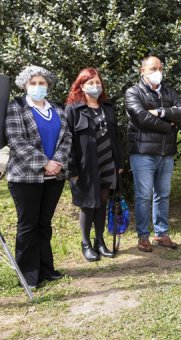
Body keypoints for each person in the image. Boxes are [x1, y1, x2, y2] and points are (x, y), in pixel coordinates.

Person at [5, 65, 72, 289]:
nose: (37, 87)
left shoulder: (58, 109)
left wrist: (57, 164)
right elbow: (16, 140)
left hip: (54, 177)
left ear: (48, 85)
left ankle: (46, 270)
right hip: (25, 178)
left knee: (44, 224)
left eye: (41, 83)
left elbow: (66, 138)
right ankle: (28, 275)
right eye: (32, 83)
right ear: (25, 85)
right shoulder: (17, 107)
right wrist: (44, 163)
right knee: (28, 225)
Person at [125, 56, 181, 252]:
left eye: (160, 68)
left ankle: (161, 234)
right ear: (142, 71)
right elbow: (141, 117)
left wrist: (160, 112)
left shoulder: (168, 91)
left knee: (163, 194)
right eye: (153, 68)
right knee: (144, 195)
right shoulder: (133, 92)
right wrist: (169, 125)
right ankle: (143, 236)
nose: (157, 71)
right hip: (143, 152)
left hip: (166, 152)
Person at [65, 68, 124, 261]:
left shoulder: (108, 107)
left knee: (102, 202)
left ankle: (100, 241)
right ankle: (86, 244)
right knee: (88, 205)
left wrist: (119, 162)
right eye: (90, 83)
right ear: (81, 86)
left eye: (98, 82)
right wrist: (72, 169)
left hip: (107, 162)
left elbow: (116, 137)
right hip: (85, 167)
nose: (95, 86)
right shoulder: (73, 109)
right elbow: (68, 141)